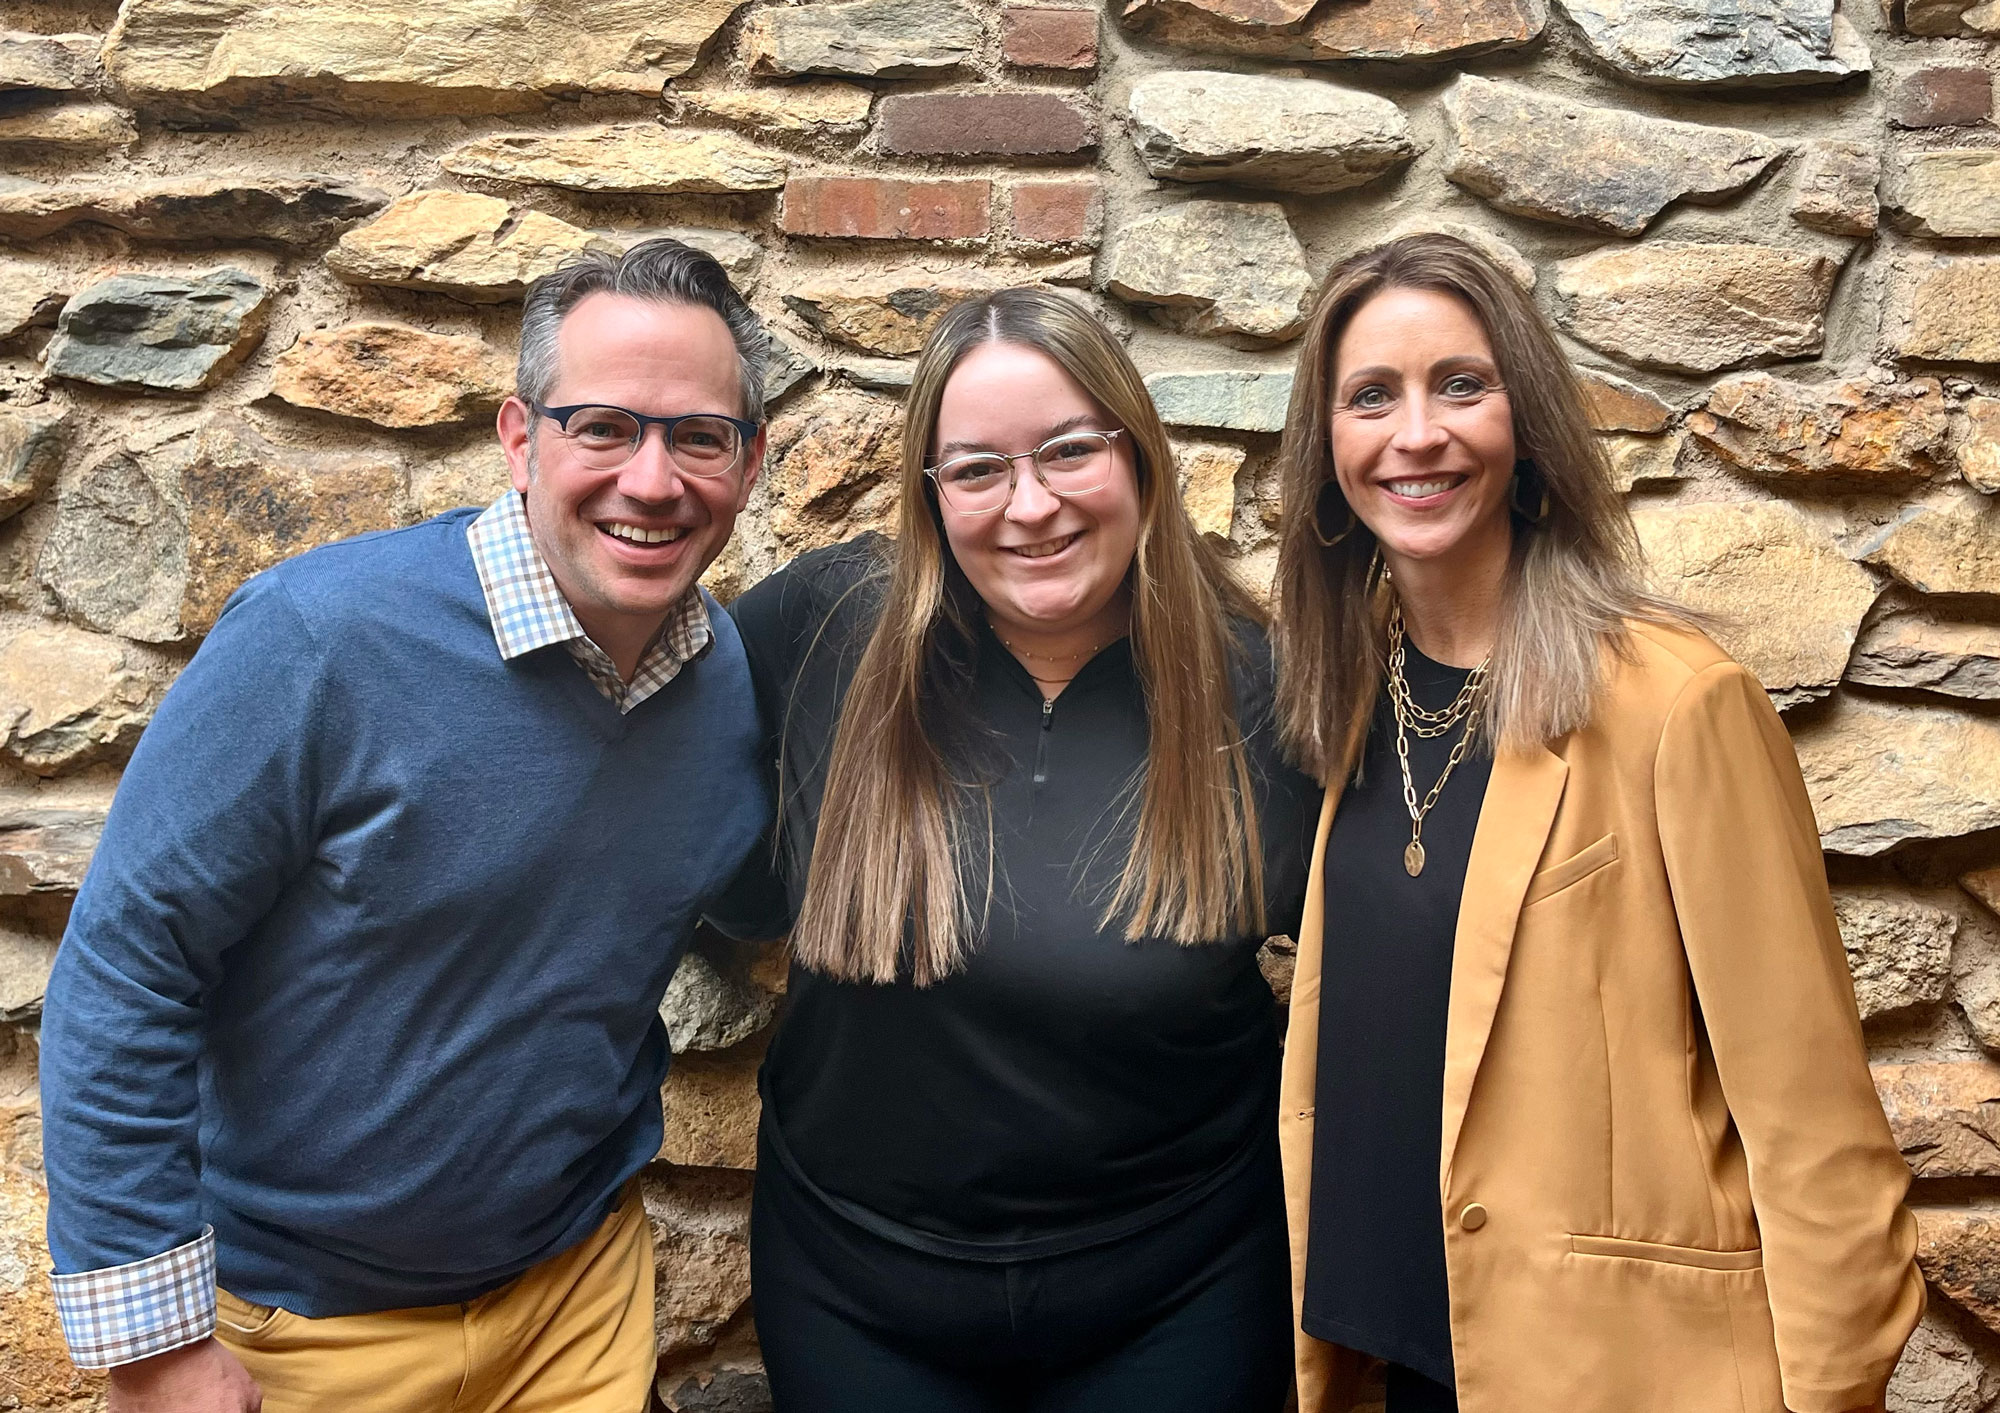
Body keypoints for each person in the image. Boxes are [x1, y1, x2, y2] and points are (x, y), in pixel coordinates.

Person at [38, 237, 771, 1413]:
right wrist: (157, 1343)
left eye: (697, 436)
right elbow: (128, 967)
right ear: (520, 438)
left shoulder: (722, 678)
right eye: (601, 428)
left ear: (749, 461)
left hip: (576, 1298)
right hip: (306, 1331)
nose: (652, 479)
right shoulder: (318, 640)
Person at [1268, 232, 1924, 1413]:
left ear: (1524, 432)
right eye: (1370, 396)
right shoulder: (1349, 702)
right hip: (1400, 1359)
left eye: (1460, 385)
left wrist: (1838, 1396)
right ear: (1326, 452)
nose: (1415, 433)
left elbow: (1810, 1120)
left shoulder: (1677, 703)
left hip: (1616, 1373)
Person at [708, 288, 1318, 1412]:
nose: (1027, 505)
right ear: (931, 498)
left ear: (1138, 457)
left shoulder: (1263, 694)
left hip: (1181, 1285)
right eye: (977, 469)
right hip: (856, 1290)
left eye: (1067, 452)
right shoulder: (819, 632)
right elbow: (663, 791)